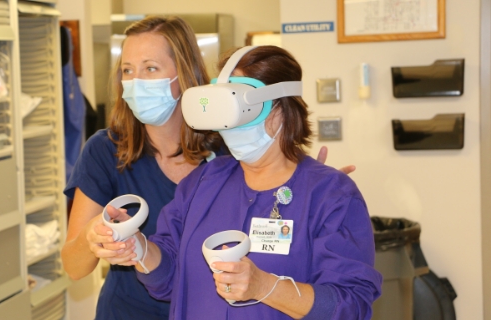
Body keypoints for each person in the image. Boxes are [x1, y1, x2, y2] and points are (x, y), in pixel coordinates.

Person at [60, 16, 353, 320]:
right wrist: (95, 238)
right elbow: (75, 266)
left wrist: (307, 192)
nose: (136, 83)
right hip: (131, 310)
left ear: (184, 73)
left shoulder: (231, 146)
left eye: (150, 68)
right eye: (127, 71)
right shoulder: (107, 151)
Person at [112, 45, 382, 320]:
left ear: (280, 109)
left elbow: (351, 305)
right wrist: (140, 249)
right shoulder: (204, 182)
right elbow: (170, 280)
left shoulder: (331, 195)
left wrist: (266, 287)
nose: (231, 125)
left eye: (241, 108)